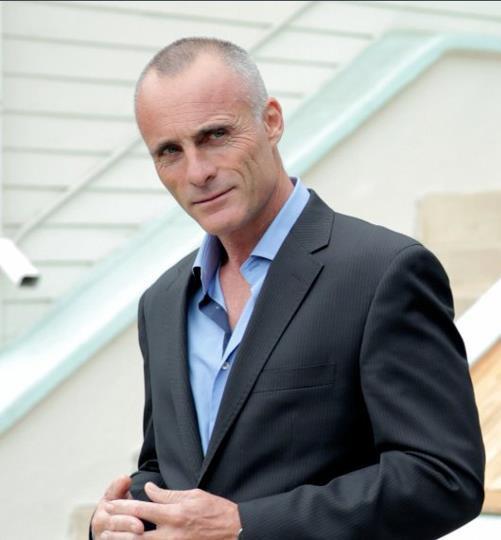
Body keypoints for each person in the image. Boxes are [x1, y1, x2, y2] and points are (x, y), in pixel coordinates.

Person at [90, 37, 484, 540]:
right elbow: (168, 469)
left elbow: (443, 479)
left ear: (271, 121)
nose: (197, 172)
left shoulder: (383, 272)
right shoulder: (162, 303)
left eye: (215, 135)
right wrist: (121, 517)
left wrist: (244, 525)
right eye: (170, 151)